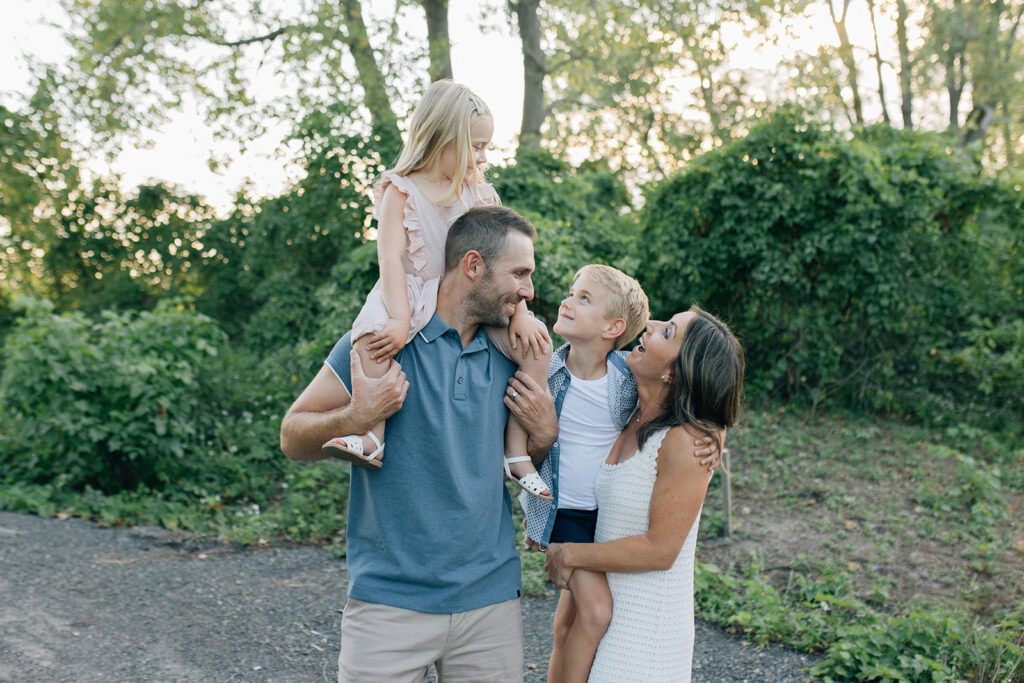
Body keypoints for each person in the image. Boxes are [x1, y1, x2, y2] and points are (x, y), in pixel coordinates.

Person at [280, 205, 559, 682]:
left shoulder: (517, 351)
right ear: (473, 266)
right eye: (520, 273)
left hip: (489, 604)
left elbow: (514, 464)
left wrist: (544, 435)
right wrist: (356, 416)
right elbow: (292, 436)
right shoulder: (380, 341)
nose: (529, 291)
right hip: (388, 605)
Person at [321, 79, 553, 501]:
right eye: (476, 146)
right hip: (411, 293)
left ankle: (516, 454)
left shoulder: (478, 191)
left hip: (471, 302)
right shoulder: (401, 188)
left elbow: (505, 261)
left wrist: (520, 314)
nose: (482, 157)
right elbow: (390, 257)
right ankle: (373, 437)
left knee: (537, 346)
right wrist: (398, 319)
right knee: (374, 338)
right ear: (442, 138)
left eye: (486, 147)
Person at [515, 270, 719, 683]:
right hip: (568, 513)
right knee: (581, 618)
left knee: (575, 620)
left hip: (600, 529)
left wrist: (715, 431)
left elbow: (701, 395)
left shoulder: (626, 377)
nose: (654, 326)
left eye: (669, 331)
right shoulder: (551, 367)